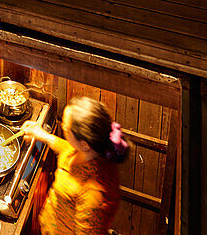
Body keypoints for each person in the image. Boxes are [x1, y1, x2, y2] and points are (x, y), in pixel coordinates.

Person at [21, 96, 128, 235]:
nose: (62, 126)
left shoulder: (94, 195)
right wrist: (43, 135)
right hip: (51, 224)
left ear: (84, 144)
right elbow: (67, 149)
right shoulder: (89, 151)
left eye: (66, 127)